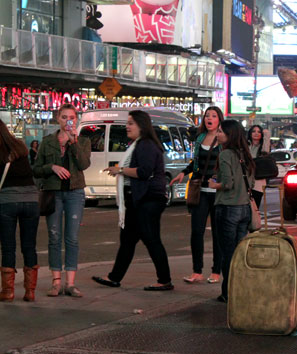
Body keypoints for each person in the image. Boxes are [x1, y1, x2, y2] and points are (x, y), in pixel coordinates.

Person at [92, 110, 173, 291]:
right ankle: (114, 277)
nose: (127, 127)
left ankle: (165, 280)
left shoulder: (146, 145)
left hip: (148, 199)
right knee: (128, 240)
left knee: (151, 239)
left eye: (131, 123)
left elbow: (143, 172)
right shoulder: (139, 144)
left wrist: (119, 170)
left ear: (141, 126)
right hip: (138, 200)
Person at [33, 103, 91, 297]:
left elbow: (83, 164)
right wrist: (52, 167)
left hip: (75, 192)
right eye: (64, 117)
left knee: (72, 238)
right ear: (58, 119)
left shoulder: (82, 142)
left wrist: (73, 142)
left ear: (76, 120)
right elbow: (36, 168)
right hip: (53, 193)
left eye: (72, 117)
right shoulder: (48, 141)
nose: (68, 120)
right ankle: (56, 282)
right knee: (54, 236)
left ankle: (70, 283)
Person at [170, 106, 223, 284]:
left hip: (217, 192)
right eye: (207, 115)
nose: (209, 118)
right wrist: (183, 173)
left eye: (213, 116)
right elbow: (196, 163)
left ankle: (216, 271)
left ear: (219, 120)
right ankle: (197, 271)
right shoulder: (200, 138)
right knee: (196, 231)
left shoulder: (223, 140)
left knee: (217, 234)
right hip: (199, 191)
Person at [207, 120, 254, 303]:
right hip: (244, 209)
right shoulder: (244, 154)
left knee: (228, 253)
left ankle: (227, 292)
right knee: (239, 253)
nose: (217, 134)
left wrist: (214, 184)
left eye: (220, 132)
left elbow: (228, 183)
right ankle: (240, 289)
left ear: (230, 135)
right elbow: (249, 182)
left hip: (228, 208)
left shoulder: (226, 154)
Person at [0, 120, 40, 302]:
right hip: (31, 200)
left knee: (8, 247)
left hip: (8, 201)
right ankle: (30, 292)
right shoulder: (20, 148)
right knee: (29, 246)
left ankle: (8, 292)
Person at [247, 124, 271, 208]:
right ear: (250, 133)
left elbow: (266, 151)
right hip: (245, 182)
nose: (256, 133)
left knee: (255, 208)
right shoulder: (246, 146)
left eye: (259, 132)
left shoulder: (263, 147)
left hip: (258, 183)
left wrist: (266, 134)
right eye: (253, 131)